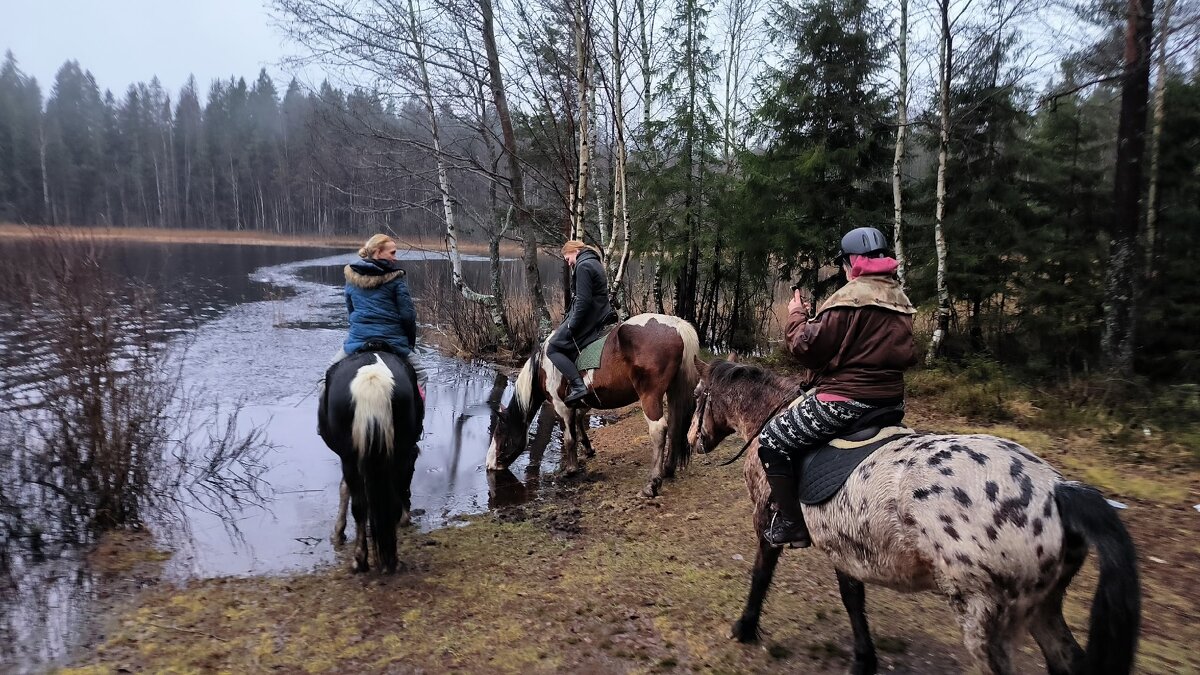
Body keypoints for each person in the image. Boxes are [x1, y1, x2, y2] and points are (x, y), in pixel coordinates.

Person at [757, 226, 917, 548]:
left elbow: (805, 347)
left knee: (772, 439)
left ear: (850, 263)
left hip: (847, 400)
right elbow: (908, 354)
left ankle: (792, 523)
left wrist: (796, 314)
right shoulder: (900, 300)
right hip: (890, 401)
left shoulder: (850, 296)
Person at [323, 234, 427, 398]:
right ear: (378, 252)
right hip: (392, 341)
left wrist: (359, 331)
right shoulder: (396, 280)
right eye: (392, 253)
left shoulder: (351, 279)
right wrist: (409, 342)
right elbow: (408, 316)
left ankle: (326, 422)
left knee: (326, 376)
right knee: (421, 375)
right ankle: (418, 420)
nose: (395, 258)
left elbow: (351, 313)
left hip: (358, 341)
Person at [547, 240, 617, 405]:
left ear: (575, 251)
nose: (568, 262)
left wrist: (572, 325)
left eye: (567, 257)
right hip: (601, 312)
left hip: (592, 317)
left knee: (553, 348)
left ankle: (578, 386)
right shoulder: (593, 261)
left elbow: (583, 302)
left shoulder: (583, 266)